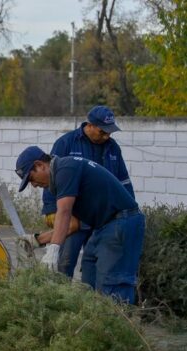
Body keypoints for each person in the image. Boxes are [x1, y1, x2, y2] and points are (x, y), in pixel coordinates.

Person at [15, 146, 144, 304]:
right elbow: (72, 224)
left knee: (112, 286)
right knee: (89, 273)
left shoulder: (65, 169)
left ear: (40, 165)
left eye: (31, 178)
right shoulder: (60, 176)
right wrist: (38, 240)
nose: (33, 185)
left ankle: (118, 324)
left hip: (122, 222)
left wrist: (54, 250)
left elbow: (64, 212)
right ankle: (92, 321)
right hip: (103, 225)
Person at [41, 106, 135, 278]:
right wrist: (50, 209)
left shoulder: (113, 148)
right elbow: (50, 178)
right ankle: (59, 300)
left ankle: (89, 301)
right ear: (90, 125)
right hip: (74, 217)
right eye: (102, 132)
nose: (107, 136)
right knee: (64, 263)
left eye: (110, 132)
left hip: (102, 220)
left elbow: (123, 182)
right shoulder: (66, 143)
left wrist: (130, 211)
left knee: (94, 265)